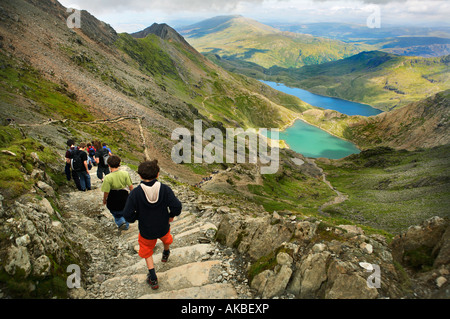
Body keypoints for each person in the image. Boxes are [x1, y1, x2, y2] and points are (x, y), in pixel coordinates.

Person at [123, 160, 182, 290]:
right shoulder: (165, 189)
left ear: (139, 175)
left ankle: (153, 277)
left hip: (146, 229)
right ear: (158, 174)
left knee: (146, 250)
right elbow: (177, 206)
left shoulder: (135, 193)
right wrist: (171, 215)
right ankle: (166, 252)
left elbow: (127, 214)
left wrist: (137, 217)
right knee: (166, 238)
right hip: (163, 225)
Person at [101, 155, 134, 230]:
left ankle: (120, 221)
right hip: (124, 197)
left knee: (116, 214)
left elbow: (106, 192)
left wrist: (104, 200)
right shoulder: (125, 174)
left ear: (108, 165)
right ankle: (125, 224)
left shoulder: (107, 177)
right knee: (125, 211)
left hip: (113, 198)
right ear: (119, 163)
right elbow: (131, 187)